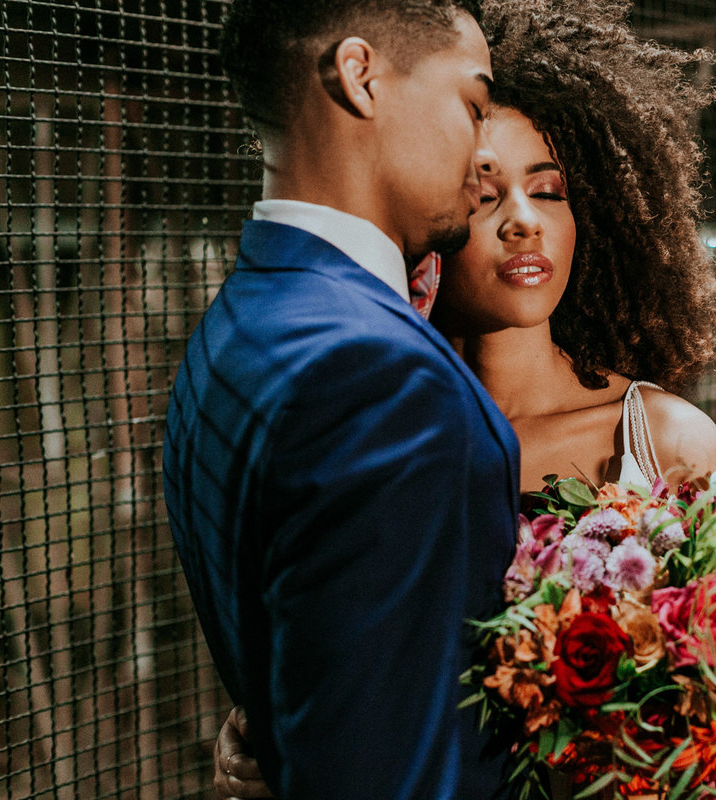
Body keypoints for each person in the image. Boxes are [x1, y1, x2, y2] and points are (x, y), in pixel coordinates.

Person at [211, 1, 716, 796]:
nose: (523, 222)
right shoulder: (381, 430)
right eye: (487, 197)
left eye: (549, 190)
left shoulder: (664, 443)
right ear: (438, 218)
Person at [162, 1, 522, 799]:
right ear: (360, 77)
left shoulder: (232, 329)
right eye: (472, 106)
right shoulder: (387, 380)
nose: (486, 156)